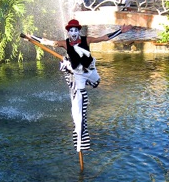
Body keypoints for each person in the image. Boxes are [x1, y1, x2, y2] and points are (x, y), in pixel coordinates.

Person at [28, 19, 133, 153]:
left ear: (79, 31)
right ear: (68, 32)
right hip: (79, 75)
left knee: (96, 82)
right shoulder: (64, 44)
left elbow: (104, 38)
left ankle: (69, 68)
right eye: (70, 31)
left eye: (75, 30)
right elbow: (48, 42)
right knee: (78, 102)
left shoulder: (86, 40)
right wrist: (32, 37)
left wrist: (120, 31)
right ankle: (80, 136)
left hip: (91, 71)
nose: (73, 33)